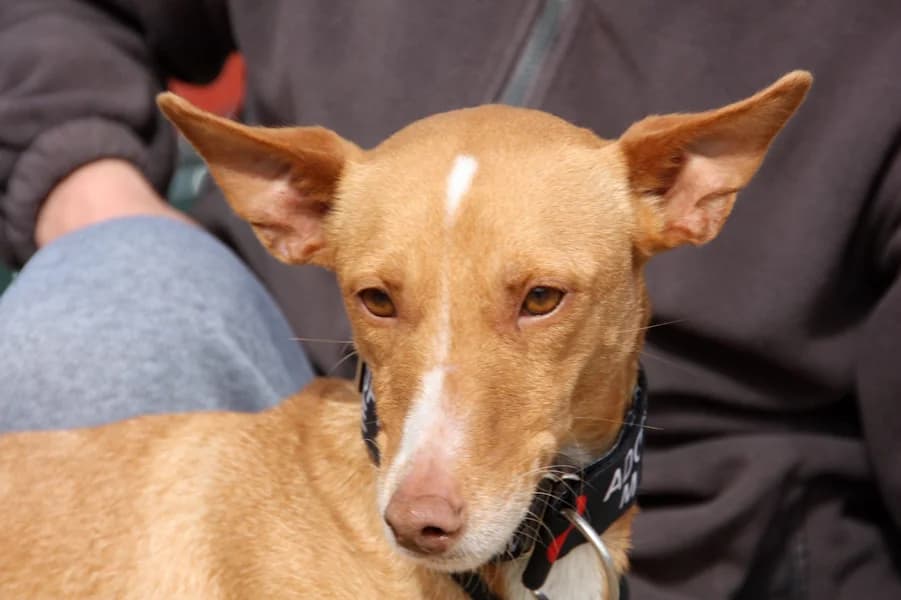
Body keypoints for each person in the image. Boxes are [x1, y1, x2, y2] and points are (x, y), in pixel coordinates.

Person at [1, 2, 899, 598]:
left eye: (539, 298)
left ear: (684, 191)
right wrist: (87, 185)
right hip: (268, 365)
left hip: (716, 528)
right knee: (97, 323)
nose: (424, 490)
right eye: (380, 301)